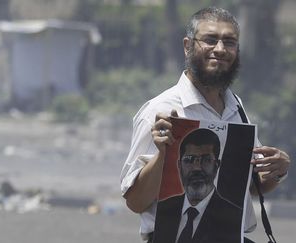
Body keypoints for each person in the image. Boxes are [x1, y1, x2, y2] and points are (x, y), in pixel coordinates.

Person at [120, 6, 291, 243]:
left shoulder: (236, 108)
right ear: (187, 46)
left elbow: (250, 186)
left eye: (229, 42)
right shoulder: (159, 111)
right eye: (210, 40)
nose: (220, 49)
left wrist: (278, 169)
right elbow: (135, 201)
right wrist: (163, 155)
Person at [153, 128, 242, 243]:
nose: (196, 168)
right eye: (189, 160)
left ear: (217, 165)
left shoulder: (233, 216)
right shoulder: (165, 208)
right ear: (179, 165)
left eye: (206, 160)